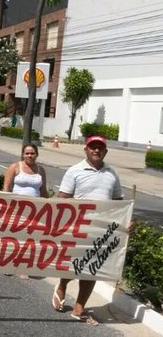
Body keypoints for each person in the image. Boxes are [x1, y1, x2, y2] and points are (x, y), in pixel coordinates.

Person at [52, 135, 126, 327]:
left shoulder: (112, 173)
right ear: (86, 149)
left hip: (101, 232)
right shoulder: (74, 171)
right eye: (92, 147)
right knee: (74, 265)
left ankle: (79, 309)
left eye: (100, 148)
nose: (96, 150)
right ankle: (62, 285)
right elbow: (63, 198)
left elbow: (119, 202)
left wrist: (127, 220)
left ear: (105, 152)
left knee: (92, 269)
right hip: (78, 228)